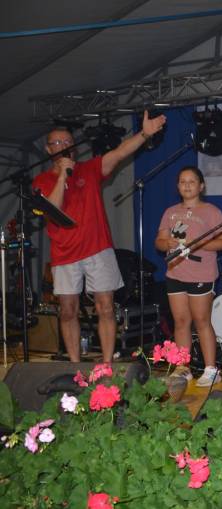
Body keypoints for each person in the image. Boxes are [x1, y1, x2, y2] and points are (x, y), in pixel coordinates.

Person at [32, 111, 167, 364]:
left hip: (97, 248)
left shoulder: (90, 169)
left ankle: (107, 364)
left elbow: (119, 153)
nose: (63, 146)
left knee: (105, 306)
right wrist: (63, 175)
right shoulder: (41, 180)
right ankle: (75, 365)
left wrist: (144, 134)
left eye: (67, 141)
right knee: (68, 311)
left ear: (74, 146)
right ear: (48, 149)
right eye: (57, 143)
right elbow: (53, 208)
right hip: (64, 253)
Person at [155, 166, 222, 387]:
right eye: (182, 181)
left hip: (201, 273)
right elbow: (159, 242)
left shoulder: (212, 211)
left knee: (201, 320)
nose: (187, 185)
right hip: (175, 272)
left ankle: (211, 369)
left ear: (201, 186)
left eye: (192, 181)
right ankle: (183, 367)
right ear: (177, 186)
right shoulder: (170, 212)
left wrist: (198, 244)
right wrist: (166, 243)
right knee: (180, 321)